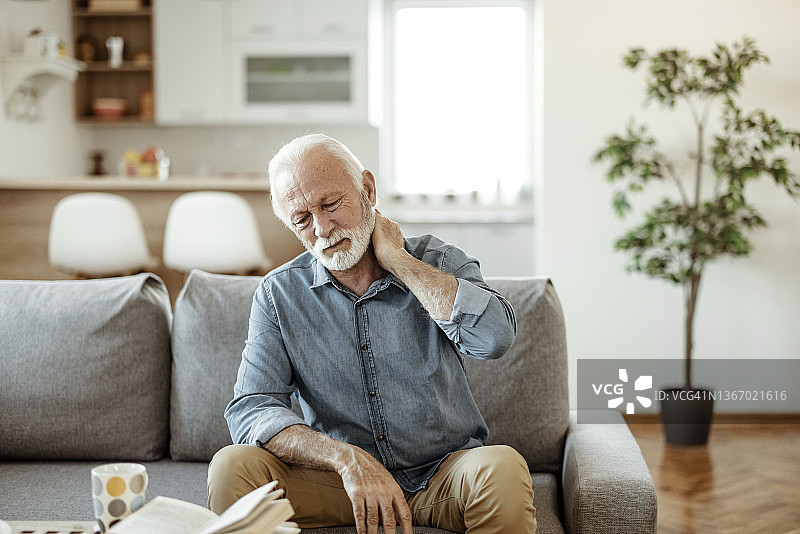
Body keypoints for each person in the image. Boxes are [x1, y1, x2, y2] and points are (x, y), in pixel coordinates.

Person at [207, 134, 537, 534]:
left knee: (500, 467)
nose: (323, 228)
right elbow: (252, 408)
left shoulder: (438, 261)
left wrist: (398, 261)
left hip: (443, 476)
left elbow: (495, 337)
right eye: (302, 219)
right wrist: (345, 460)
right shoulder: (279, 295)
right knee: (233, 467)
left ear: (367, 188)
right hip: (342, 485)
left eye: (330, 204)